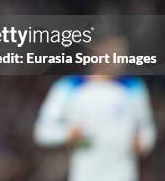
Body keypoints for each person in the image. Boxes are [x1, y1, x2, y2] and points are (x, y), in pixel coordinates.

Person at [33, 37, 156, 181]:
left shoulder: (134, 87)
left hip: (123, 175)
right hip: (85, 175)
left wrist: (141, 143)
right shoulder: (68, 87)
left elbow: (148, 132)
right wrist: (68, 134)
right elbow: (43, 132)